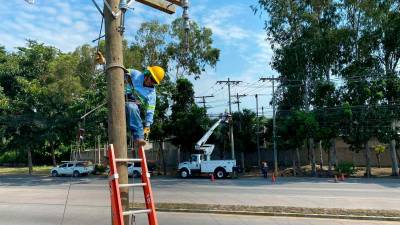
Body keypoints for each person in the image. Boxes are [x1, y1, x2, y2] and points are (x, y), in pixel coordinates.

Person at [124, 66, 165, 146]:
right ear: (147, 74)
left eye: (155, 82)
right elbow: (121, 70)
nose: (152, 82)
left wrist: (147, 125)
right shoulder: (136, 74)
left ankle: (139, 138)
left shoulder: (151, 94)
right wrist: (105, 63)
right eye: (152, 79)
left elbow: (150, 110)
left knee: (132, 107)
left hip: (134, 103)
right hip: (121, 96)